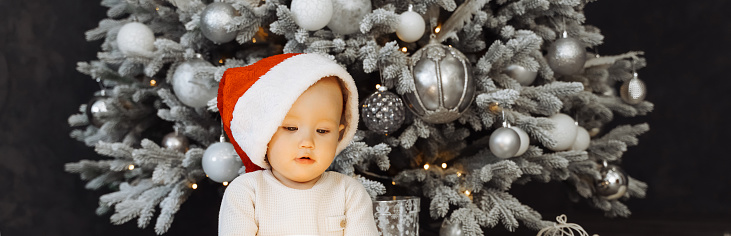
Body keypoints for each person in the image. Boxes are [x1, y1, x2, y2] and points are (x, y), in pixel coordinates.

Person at [216, 53, 379, 236]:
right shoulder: (247, 193)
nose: (307, 143)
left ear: (339, 134)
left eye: (323, 131)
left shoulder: (349, 193)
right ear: (265, 133)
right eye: (291, 128)